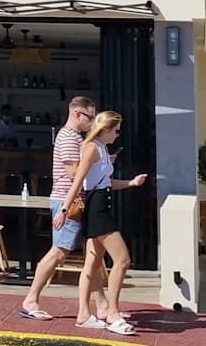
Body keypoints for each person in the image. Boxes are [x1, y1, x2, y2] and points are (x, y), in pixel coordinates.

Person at [16, 95, 95, 321]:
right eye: (89, 117)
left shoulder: (74, 137)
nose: (91, 122)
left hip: (71, 200)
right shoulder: (69, 137)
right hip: (67, 200)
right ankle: (31, 299)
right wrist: (95, 164)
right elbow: (73, 172)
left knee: (91, 253)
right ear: (77, 114)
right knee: (59, 251)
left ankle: (103, 305)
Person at [71, 111, 148, 335]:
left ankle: (84, 315)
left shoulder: (103, 149)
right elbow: (78, 181)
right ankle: (113, 313)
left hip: (102, 206)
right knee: (123, 260)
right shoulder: (91, 148)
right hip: (97, 210)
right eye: (116, 130)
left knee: (92, 264)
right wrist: (64, 209)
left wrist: (131, 183)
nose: (118, 134)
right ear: (105, 129)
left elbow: (106, 182)